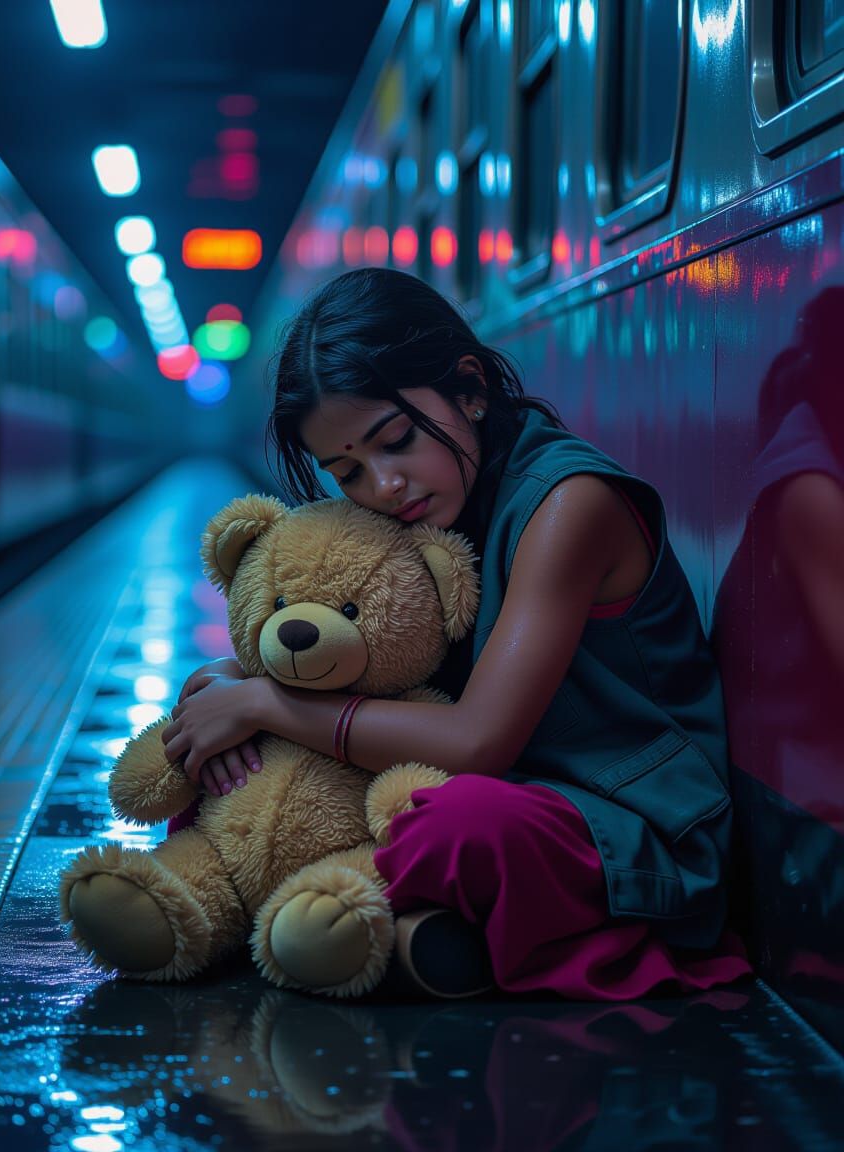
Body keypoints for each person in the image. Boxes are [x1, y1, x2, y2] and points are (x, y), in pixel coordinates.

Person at [161, 267, 751, 1000]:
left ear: (470, 387)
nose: (383, 485)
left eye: (397, 440)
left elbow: (479, 742)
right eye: (347, 472)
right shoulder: (432, 506)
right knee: (215, 764)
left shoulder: (570, 505)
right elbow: (363, 657)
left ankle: (338, 918)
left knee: (458, 827)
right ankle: (359, 925)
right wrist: (226, 685)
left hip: (625, 828)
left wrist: (266, 705)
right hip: (504, 784)